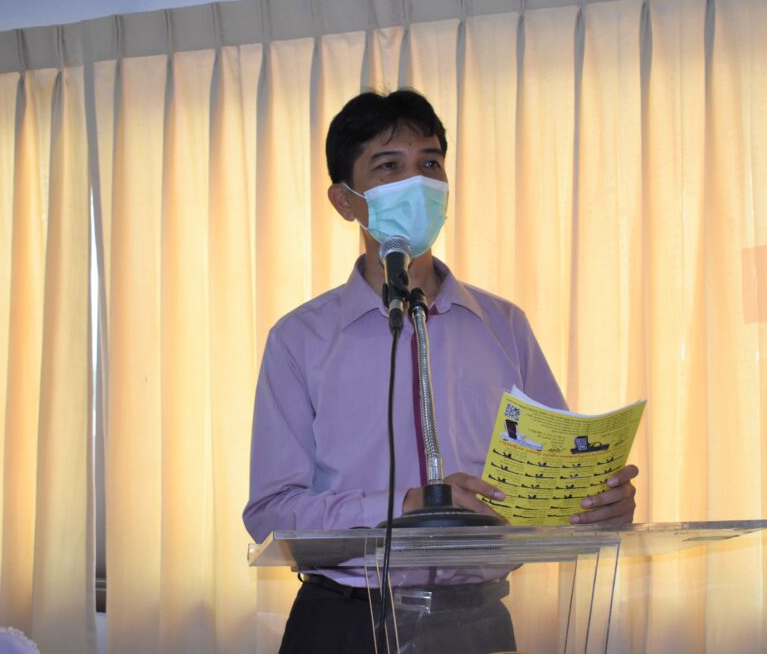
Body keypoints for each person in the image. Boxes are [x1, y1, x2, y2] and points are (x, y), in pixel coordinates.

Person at [243, 89, 639, 653]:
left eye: (430, 164)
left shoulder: (503, 325)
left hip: (476, 622)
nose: (417, 182)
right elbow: (271, 513)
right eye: (389, 166)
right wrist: (407, 506)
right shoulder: (299, 340)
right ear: (345, 200)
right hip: (344, 621)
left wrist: (595, 504)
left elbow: (551, 474)